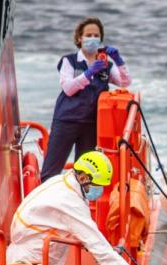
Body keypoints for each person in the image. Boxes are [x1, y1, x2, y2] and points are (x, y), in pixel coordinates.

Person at [8, 151, 135, 265]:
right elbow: (92, 238)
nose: (98, 190)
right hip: (32, 258)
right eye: (96, 185)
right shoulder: (70, 201)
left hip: (29, 250)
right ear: (82, 177)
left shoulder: (61, 182)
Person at [40, 18, 132, 182]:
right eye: (88, 35)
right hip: (66, 120)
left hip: (91, 124)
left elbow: (124, 82)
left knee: (85, 173)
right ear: (79, 38)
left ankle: (79, 205)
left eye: (96, 35)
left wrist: (118, 61)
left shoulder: (105, 65)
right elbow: (68, 88)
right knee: (51, 170)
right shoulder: (69, 61)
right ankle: (45, 203)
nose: (92, 38)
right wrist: (89, 73)